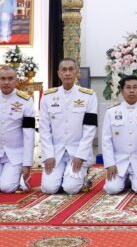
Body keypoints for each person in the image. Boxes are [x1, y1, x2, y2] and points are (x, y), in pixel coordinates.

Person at [39, 58, 98, 195]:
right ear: (59, 73)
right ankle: (63, 176)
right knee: (49, 188)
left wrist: (81, 155)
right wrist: (48, 155)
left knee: (70, 188)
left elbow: (90, 129)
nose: (67, 73)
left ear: (77, 72)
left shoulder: (88, 96)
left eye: (71, 69)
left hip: (77, 151)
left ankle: (82, 176)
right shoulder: (48, 97)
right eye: (64, 70)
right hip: (56, 152)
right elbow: (44, 129)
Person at [0, 65, 36, 193]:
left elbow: (29, 135)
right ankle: (2, 176)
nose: (6, 82)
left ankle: (19, 177)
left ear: (16, 81)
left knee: (7, 187)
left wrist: (27, 164)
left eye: (10, 79)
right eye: (3, 79)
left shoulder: (26, 101)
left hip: (15, 155)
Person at [102, 75, 137, 195]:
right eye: (128, 87)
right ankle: (126, 180)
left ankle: (131, 179)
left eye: (135, 87)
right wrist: (110, 163)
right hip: (118, 161)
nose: (131, 91)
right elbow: (106, 140)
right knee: (112, 189)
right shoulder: (111, 112)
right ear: (122, 91)